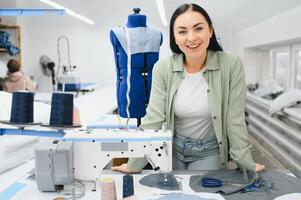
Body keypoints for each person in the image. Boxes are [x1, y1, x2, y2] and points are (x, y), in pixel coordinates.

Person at [112, 3, 265, 173]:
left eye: (198, 29)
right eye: (182, 31)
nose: (191, 38)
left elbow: (235, 119)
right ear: (175, 38)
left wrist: (246, 162)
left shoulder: (230, 64)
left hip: (209, 152)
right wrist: (133, 164)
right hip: (173, 148)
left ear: (210, 31)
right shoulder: (163, 68)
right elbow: (153, 118)